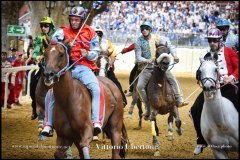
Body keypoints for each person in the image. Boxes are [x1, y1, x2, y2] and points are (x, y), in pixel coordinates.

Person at [41, 6, 102, 137]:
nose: (74, 22)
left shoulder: (91, 33)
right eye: (72, 19)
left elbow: (96, 54)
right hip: (66, 69)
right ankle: (48, 124)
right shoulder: (62, 31)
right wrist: (62, 43)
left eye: (77, 20)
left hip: (84, 67)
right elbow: (53, 43)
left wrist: (87, 54)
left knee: (96, 89)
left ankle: (96, 121)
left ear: (82, 20)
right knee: (50, 93)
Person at [189, 28, 239, 155]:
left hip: (228, 86)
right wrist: (200, 75)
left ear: (220, 41)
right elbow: (198, 73)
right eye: (210, 41)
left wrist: (231, 77)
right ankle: (201, 140)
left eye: (215, 41)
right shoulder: (205, 56)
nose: (212, 43)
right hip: (211, 87)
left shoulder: (229, 52)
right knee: (195, 110)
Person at [135, 20, 189, 120]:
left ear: (150, 29)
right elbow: (138, 57)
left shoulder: (157, 38)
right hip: (146, 68)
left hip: (159, 67)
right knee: (139, 86)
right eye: (142, 28)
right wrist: (147, 60)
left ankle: (179, 99)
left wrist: (175, 55)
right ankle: (148, 107)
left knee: (172, 79)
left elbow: (169, 45)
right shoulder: (138, 41)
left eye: (147, 28)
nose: (144, 30)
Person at [94, 26, 127, 107]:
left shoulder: (107, 42)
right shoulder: (89, 42)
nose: (98, 35)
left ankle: (122, 100)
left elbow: (112, 55)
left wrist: (110, 64)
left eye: (99, 34)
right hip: (92, 67)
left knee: (115, 82)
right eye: (96, 33)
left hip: (105, 66)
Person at [31, 16, 56, 120]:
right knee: (33, 80)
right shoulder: (38, 38)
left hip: (55, 66)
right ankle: (34, 106)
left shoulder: (56, 37)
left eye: (46, 26)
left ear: (50, 27)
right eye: (42, 26)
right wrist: (37, 56)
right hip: (43, 66)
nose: (43, 28)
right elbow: (36, 51)